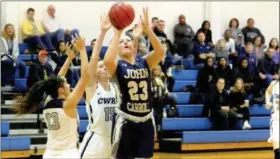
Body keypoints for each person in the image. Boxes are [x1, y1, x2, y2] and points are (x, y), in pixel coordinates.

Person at [12, 34, 89, 159]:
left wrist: (69, 59)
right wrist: (82, 50)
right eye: (67, 84)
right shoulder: (68, 105)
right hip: (68, 154)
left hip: (49, 154)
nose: (69, 85)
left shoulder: (48, 100)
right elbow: (85, 77)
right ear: (61, 90)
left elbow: (58, 78)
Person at [104, 7, 164, 159]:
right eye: (122, 42)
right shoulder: (116, 65)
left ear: (133, 46)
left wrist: (148, 31)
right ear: (116, 48)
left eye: (128, 40)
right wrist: (118, 32)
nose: (126, 42)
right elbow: (107, 60)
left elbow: (160, 52)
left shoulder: (144, 62)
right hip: (125, 121)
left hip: (146, 119)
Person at [79, 14, 117, 159]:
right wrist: (103, 32)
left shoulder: (116, 88)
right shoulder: (92, 88)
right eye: (100, 67)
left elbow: (115, 56)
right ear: (95, 72)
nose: (104, 67)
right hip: (96, 140)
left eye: (105, 66)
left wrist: (117, 32)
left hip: (113, 139)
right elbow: (94, 58)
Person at [151, 65, 178, 137]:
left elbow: (165, 88)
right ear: (152, 71)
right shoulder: (149, 79)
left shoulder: (162, 78)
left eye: (158, 69)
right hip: (153, 100)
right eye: (155, 69)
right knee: (156, 116)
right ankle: (156, 131)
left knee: (173, 97)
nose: (157, 71)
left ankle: (171, 110)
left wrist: (167, 94)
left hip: (162, 98)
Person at [265, 79, 279, 159]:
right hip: (276, 121)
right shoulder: (274, 84)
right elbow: (268, 92)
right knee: (277, 152)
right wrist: (267, 101)